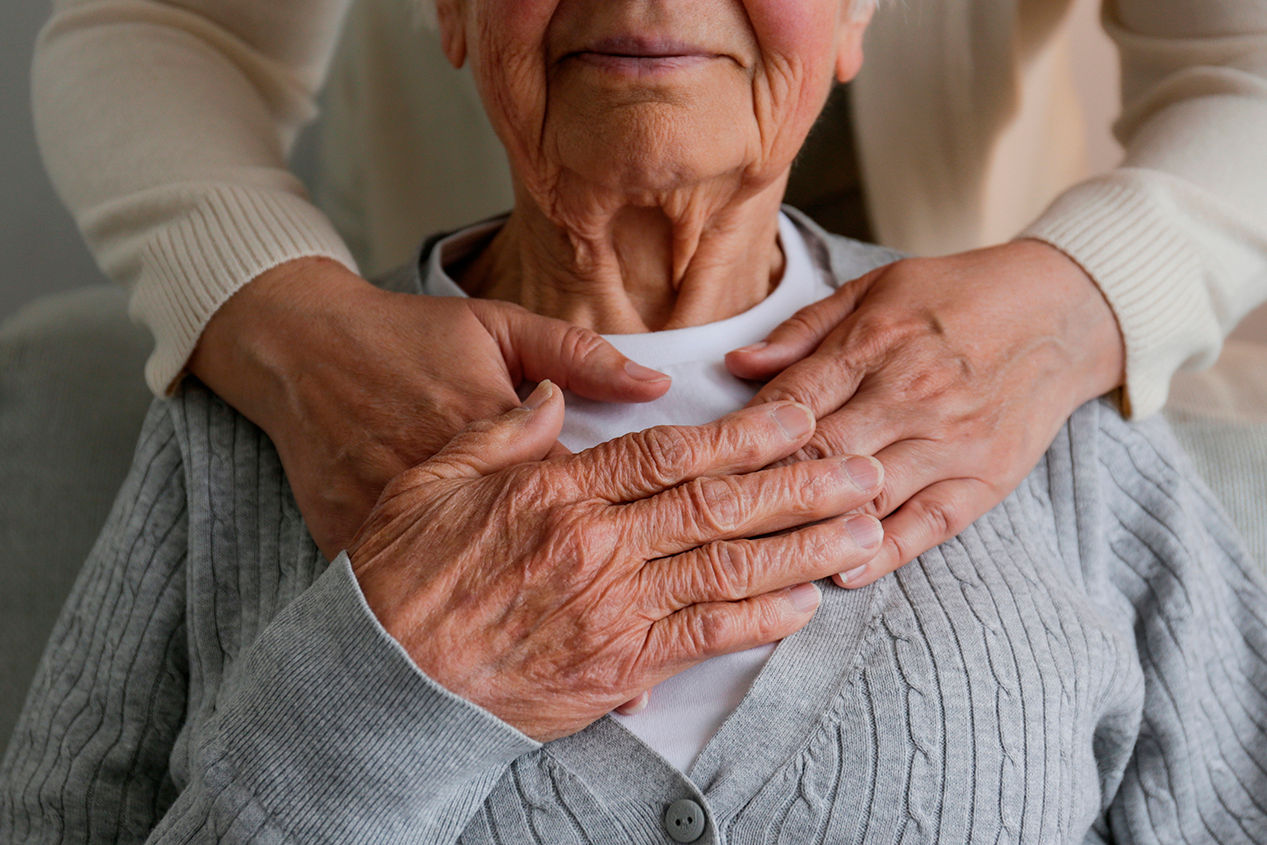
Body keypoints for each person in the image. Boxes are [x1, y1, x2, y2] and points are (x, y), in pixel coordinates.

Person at [5, 0, 1266, 840]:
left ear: (855, 14)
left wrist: (1085, 297)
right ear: (450, 11)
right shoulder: (265, 415)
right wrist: (387, 687)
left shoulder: (1037, 412)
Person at [31, 0, 1267, 587]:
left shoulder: (1089, 486)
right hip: (427, 346)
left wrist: (1077, 298)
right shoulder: (232, 463)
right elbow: (164, 20)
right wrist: (285, 320)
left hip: (978, 341)